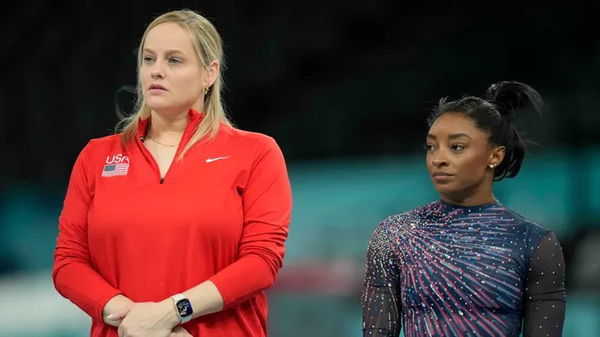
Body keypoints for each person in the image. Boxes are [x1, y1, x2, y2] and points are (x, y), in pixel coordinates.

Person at [52, 9, 292, 337]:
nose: (156, 71)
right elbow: (68, 263)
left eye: (174, 61)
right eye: (148, 59)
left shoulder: (256, 153)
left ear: (209, 73)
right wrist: (133, 318)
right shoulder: (97, 156)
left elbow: (261, 263)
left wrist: (171, 312)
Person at [361, 81, 566, 337]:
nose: (438, 158)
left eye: (456, 147)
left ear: (495, 156)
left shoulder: (533, 243)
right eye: (431, 147)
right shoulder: (394, 235)